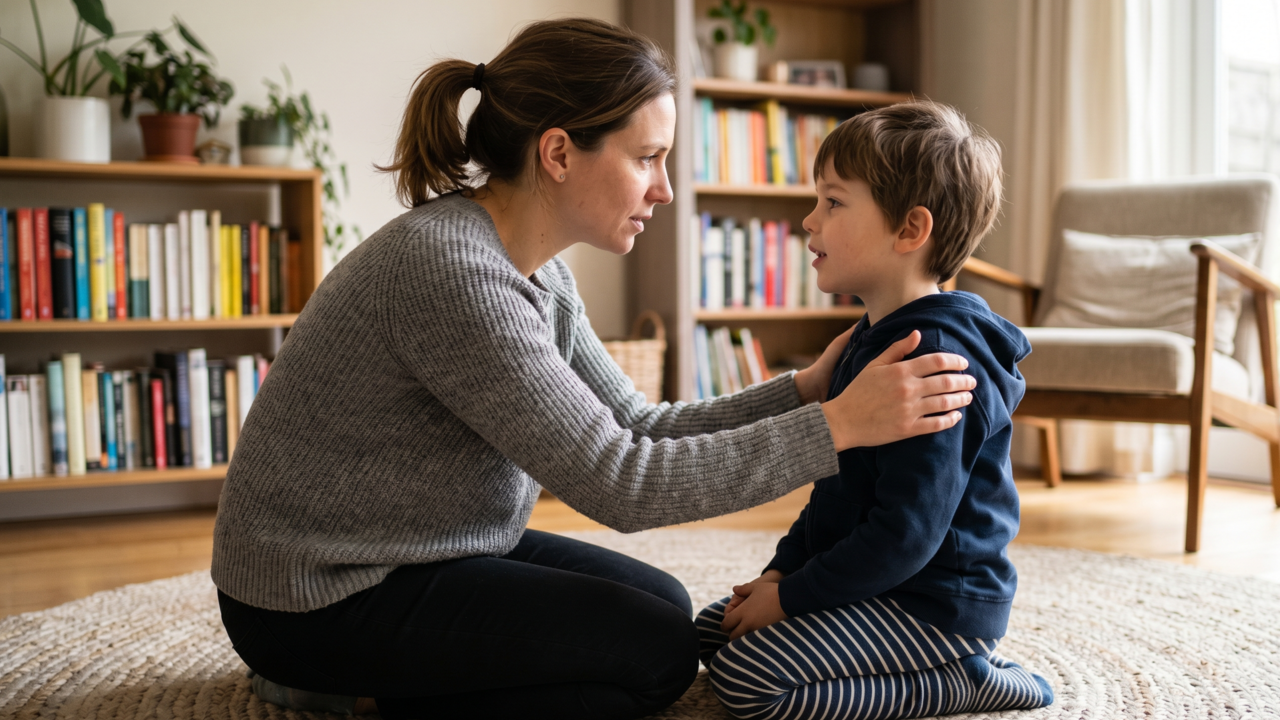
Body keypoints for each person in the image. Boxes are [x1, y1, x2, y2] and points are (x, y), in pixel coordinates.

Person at [211, 19, 979, 720]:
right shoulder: (453, 272)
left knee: (662, 604)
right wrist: (836, 426)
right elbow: (623, 482)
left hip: (426, 548)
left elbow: (636, 425)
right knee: (654, 657)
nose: (665, 189)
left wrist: (802, 391)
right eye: (647, 158)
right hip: (317, 599)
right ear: (557, 153)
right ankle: (356, 695)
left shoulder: (538, 271)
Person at [694, 101, 1055, 720]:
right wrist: (782, 576)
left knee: (749, 683)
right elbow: (834, 493)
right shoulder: (870, 338)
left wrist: (791, 602)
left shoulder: (935, 363)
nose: (809, 220)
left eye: (833, 203)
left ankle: (962, 679)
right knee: (710, 631)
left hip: (933, 604)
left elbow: (906, 535)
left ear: (910, 230)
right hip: (877, 584)